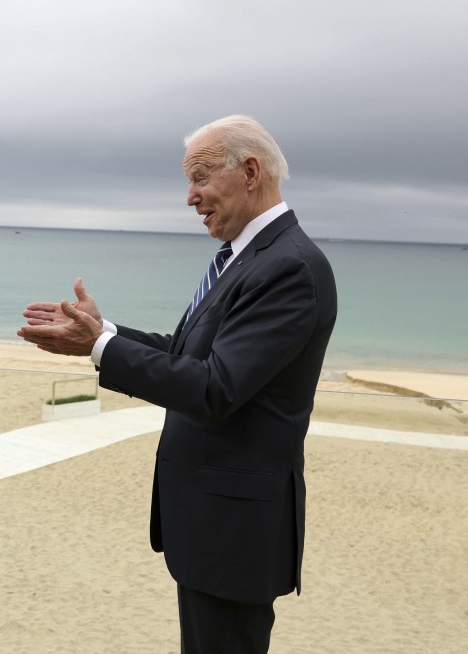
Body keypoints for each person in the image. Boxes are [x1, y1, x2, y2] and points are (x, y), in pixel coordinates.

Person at [18, 115, 337, 653]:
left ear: (251, 171)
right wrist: (104, 332)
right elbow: (186, 351)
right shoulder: (247, 258)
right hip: (211, 521)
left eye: (201, 178)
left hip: (235, 530)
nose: (190, 197)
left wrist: (98, 350)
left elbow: (214, 387)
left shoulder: (289, 267)